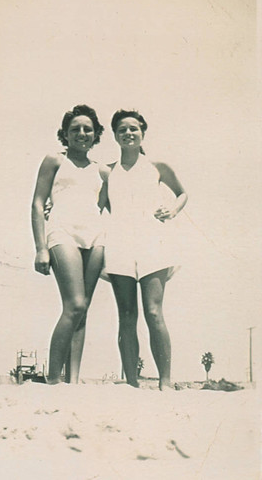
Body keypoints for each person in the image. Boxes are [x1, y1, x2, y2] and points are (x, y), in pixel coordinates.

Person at [103, 109, 188, 390]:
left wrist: (172, 209)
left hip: (153, 242)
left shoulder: (157, 165)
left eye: (134, 129)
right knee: (127, 316)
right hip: (119, 245)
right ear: (115, 135)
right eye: (122, 129)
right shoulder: (107, 171)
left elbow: (182, 193)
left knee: (153, 312)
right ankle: (131, 383)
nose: (128, 133)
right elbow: (91, 204)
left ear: (142, 133)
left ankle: (165, 382)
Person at [31, 104, 107, 384]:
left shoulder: (102, 170)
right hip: (62, 233)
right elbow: (38, 204)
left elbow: (118, 207)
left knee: (83, 309)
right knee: (74, 304)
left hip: (95, 237)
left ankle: (72, 383)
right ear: (65, 134)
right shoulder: (54, 160)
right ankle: (53, 381)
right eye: (75, 129)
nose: (82, 133)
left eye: (88, 129)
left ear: (96, 133)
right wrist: (40, 248)